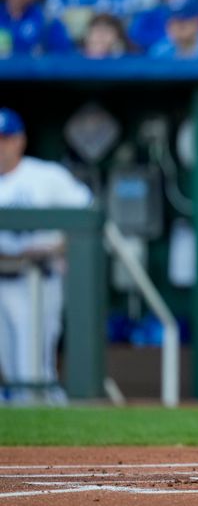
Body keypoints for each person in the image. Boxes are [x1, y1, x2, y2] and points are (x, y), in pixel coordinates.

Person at [0, 108, 92, 404]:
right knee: (8, 369)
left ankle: (53, 439)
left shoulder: (46, 176)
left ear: (20, 141)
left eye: (6, 139)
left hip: (36, 280)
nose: (1, 146)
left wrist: (53, 248)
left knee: (33, 367)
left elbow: (87, 217)